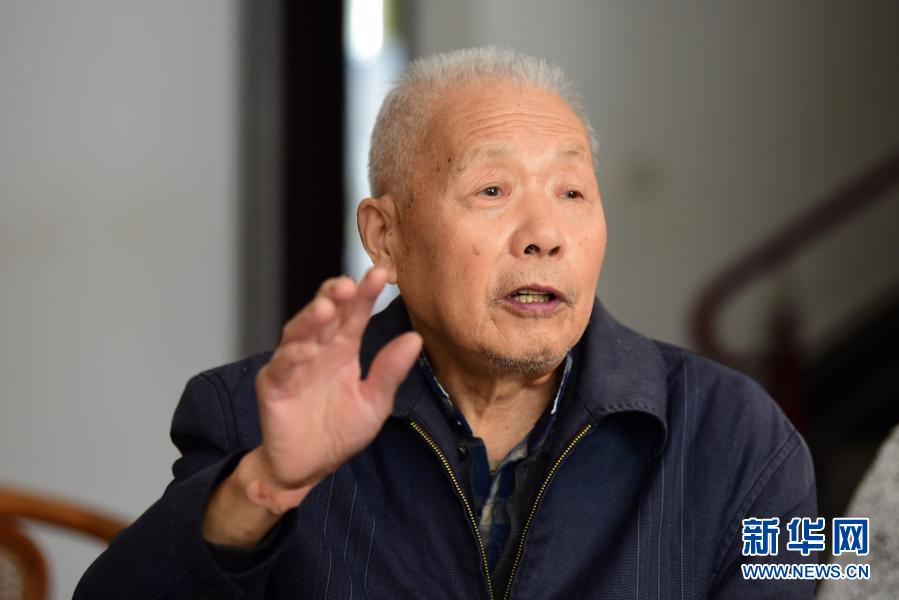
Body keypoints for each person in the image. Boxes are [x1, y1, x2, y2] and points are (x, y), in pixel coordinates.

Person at [76, 47, 817, 599]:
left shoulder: (740, 436)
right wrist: (263, 487)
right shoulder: (249, 420)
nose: (544, 235)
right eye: (492, 190)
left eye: (571, 192)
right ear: (385, 237)